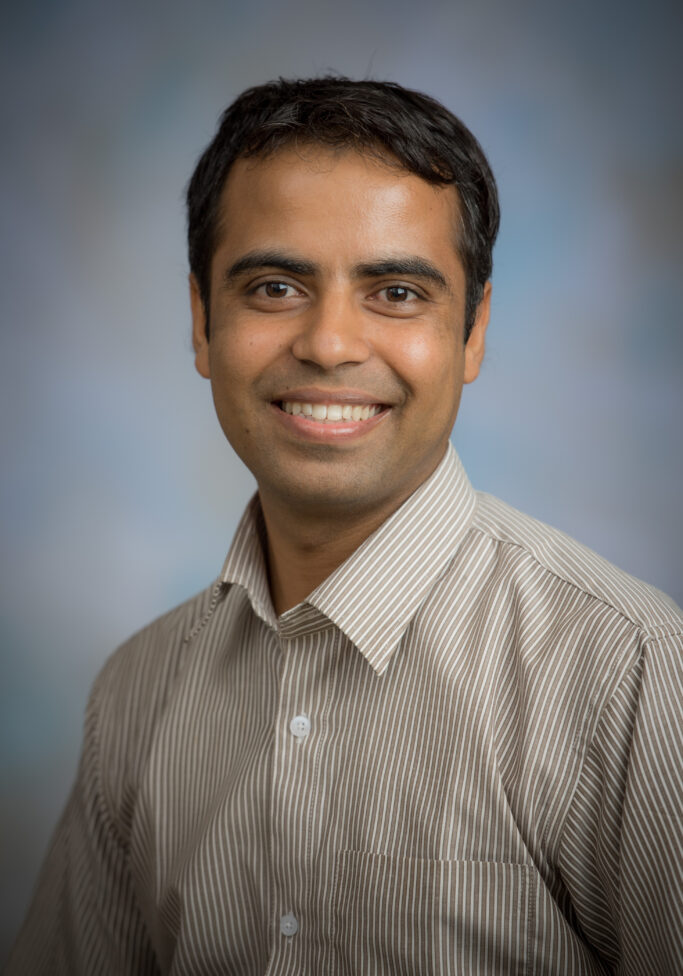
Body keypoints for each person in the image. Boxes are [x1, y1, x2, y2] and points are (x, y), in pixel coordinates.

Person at [7, 77, 682, 976]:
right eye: (276, 286)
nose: (329, 344)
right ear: (202, 321)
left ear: (472, 330)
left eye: (396, 292)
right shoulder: (136, 695)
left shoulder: (630, 674)